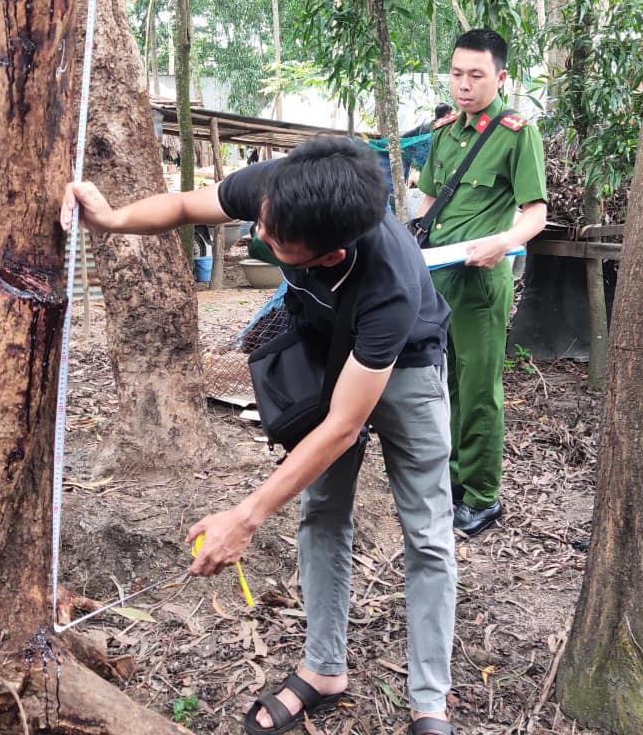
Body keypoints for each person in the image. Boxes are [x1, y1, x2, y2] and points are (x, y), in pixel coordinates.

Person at [63, 138, 459, 735]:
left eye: (275, 248)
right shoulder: (283, 190)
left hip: (405, 367)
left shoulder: (390, 285)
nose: (261, 240)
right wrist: (113, 217)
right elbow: (182, 209)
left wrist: (244, 517)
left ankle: (430, 701)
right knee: (322, 512)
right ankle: (325, 668)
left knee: (426, 530)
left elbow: (343, 428)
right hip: (329, 351)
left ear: (327, 257)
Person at [416, 29, 547, 536]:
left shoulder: (516, 134)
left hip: (481, 282)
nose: (463, 85)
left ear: (501, 77)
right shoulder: (445, 132)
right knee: (441, 384)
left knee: (478, 390)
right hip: (436, 280)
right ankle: (449, 482)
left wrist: (504, 243)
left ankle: (482, 496)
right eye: (456, 73)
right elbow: (427, 206)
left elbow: (536, 213)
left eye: (476, 74)